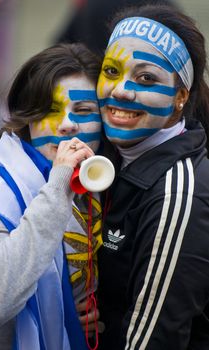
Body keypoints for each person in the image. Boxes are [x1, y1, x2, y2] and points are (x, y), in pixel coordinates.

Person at [0, 42, 103, 350]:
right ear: (29, 120)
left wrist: (78, 313)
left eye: (83, 110)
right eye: (51, 110)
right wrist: (57, 187)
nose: (67, 125)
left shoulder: (92, 184)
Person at [96, 4, 209, 350]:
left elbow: (153, 341)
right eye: (112, 71)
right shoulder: (106, 155)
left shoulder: (178, 193)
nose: (121, 91)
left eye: (146, 78)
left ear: (180, 96)